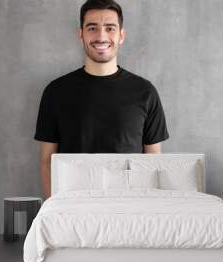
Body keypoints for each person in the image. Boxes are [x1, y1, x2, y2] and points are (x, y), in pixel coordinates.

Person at [34, 0, 169, 198]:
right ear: (81, 34)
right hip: (73, 209)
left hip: (130, 209)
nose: (101, 36)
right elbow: (47, 160)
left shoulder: (145, 92)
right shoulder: (56, 92)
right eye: (92, 28)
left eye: (110, 28)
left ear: (121, 35)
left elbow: (153, 159)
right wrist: (54, 208)